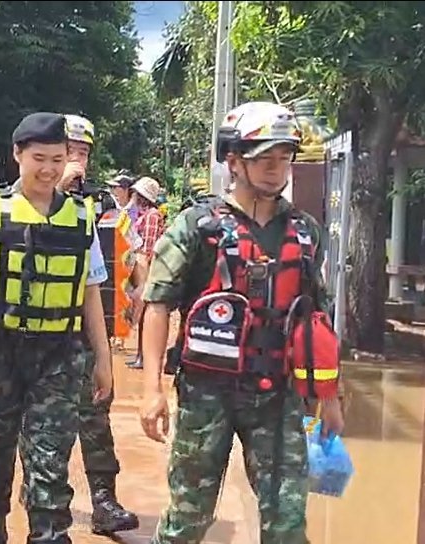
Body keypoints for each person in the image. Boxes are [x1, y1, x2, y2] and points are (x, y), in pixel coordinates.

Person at [138, 101, 346, 544]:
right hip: (206, 393)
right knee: (187, 521)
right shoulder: (197, 228)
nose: (276, 169)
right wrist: (151, 389)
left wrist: (330, 397)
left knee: (287, 525)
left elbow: (318, 319)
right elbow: (156, 304)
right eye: (264, 159)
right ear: (233, 161)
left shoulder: (306, 233)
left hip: (279, 394)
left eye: (284, 158)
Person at [0, 112, 114, 543]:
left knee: (50, 461)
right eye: (39, 158)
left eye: (58, 159)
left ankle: (48, 534)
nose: (49, 169)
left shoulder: (82, 218)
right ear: (17, 155)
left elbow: (91, 291)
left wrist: (103, 359)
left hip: (59, 355)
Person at [49, 113, 140, 535]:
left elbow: (121, 254)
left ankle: (104, 500)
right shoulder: (30, 199)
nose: (77, 160)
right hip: (40, 327)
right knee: (44, 422)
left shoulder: (101, 203)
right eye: (70, 151)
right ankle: (45, 498)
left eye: (83, 153)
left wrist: (136, 289)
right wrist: (59, 187)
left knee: (95, 415)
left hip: (85, 330)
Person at [126, 176, 167, 370]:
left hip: (147, 268)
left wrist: (144, 275)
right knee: (141, 315)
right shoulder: (142, 213)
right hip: (142, 267)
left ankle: (143, 357)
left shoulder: (151, 215)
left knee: (144, 314)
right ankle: (140, 355)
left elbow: (148, 246)